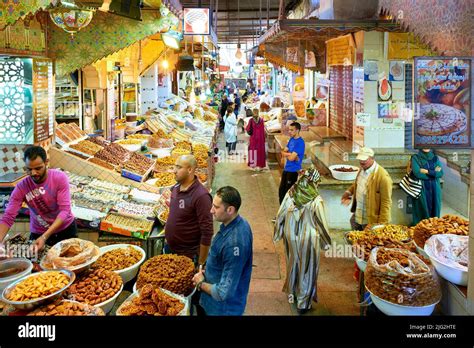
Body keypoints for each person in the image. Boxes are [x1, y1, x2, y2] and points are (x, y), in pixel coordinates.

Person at [0, 146, 76, 252]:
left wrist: (45, 236)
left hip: (65, 230)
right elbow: (8, 216)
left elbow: (65, 211)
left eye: (38, 168)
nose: (33, 173)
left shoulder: (59, 178)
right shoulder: (22, 187)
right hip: (38, 232)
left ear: (46, 163)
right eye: (29, 169)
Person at [192, 186, 253, 315]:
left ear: (230, 209)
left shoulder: (234, 244)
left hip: (222, 309)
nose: (211, 210)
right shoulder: (241, 223)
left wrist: (200, 283)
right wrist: (209, 270)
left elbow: (223, 292)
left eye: (216, 207)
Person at [165, 155, 213, 265]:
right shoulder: (176, 188)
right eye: (174, 167)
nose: (174, 171)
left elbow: (207, 231)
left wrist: (201, 263)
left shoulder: (201, 196)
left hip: (188, 256)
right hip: (171, 250)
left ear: (190, 169)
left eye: (179, 167)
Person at [341, 147, 393, 231]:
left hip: (370, 220)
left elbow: (386, 202)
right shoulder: (362, 169)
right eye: (360, 159)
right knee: (356, 240)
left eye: (364, 159)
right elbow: (357, 184)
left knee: (369, 243)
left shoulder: (383, 177)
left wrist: (382, 224)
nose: (361, 162)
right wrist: (349, 192)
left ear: (372, 158)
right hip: (358, 215)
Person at [410, 149, 444, 225]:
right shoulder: (415, 158)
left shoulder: (435, 158)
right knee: (422, 210)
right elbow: (417, 173)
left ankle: (434, 231)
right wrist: (433, 174)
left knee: (435, 211)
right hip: (422, 189)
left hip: (435, 189)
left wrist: (427, 171)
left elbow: (440, 173)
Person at [278, 122, 305, 204]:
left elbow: (291, 158)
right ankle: (282, 213)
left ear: (297, 130)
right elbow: (282, 152)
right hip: (286, 169)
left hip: (294, 171)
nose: (289, 132)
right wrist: (290, 153)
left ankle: (288, 214)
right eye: (289, 130)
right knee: (281, 192)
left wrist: (289, 155)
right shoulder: (291, 140)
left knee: (288, 195)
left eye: (291, 130)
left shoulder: (300, 143)